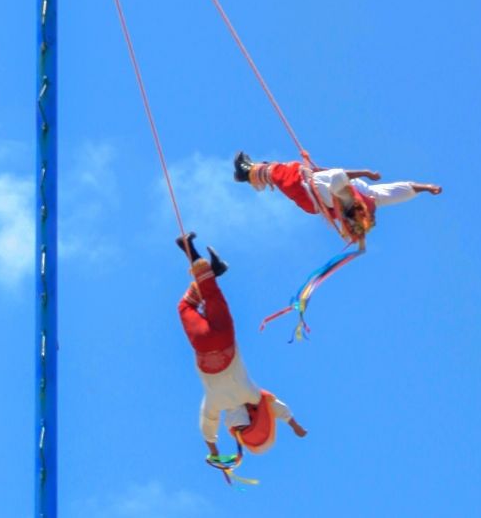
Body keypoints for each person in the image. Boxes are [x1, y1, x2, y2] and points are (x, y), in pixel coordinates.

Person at [176, 232, 306, 461]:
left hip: (225, 337)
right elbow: (208, 431)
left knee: (211, 292)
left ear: (251, 414)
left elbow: (277, 407)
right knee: (185, 307)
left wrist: (294, 424)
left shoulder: (253, 396)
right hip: (204, 346)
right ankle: (189, 250)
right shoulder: (214, 404)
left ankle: (207, 267)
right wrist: (214, 453)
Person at [233, 152, 442, 242]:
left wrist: (366, 173)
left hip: (307, 190)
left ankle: (247, 171)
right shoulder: (368, 197)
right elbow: (396, 192)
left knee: (281, 171)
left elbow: (337, 176)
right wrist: (424, 187)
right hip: (312, 191)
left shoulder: (341, 194)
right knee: (286, 170)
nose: (374, 213)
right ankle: (250, 172)